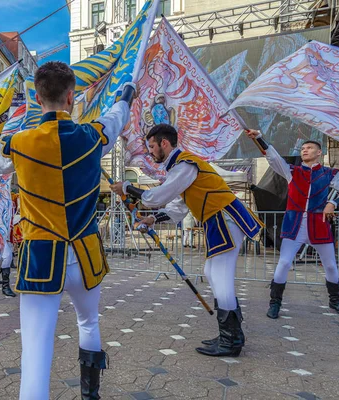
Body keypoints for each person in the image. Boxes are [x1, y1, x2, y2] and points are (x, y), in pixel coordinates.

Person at [0, 61, 136, 399]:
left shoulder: (19, 143)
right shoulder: (94, 135)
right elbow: (117, 116)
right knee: (89, 324)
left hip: (41, 259)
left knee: (36, 352)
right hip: (85, 254)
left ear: (38, 98)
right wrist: (126, 93)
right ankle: (90, 395)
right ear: (72, 97)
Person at [111, 124, 263, 358]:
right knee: (212, 272)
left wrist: (128, 187)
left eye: (152, 146)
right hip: (218, 220)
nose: (150, 152)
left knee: (220, 276)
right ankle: (231, 335)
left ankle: (231, 340)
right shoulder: (182, 168)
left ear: (164, 143)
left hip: (224, 219)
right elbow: (178, 208)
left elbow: (156, 197)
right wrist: (153, 219)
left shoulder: (184, 163)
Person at [245, 130, 339, 318]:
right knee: (283, 263)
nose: (305, 150)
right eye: (303, 148)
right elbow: (273, 157)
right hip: (294, 225)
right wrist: (258, 137)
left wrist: (332, 203)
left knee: (331, 266)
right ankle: (275, 302)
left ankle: (335, 300)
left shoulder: (330, 174)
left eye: (309, 148)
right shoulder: (292, 171)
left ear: (319, 153)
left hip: (319, 225)